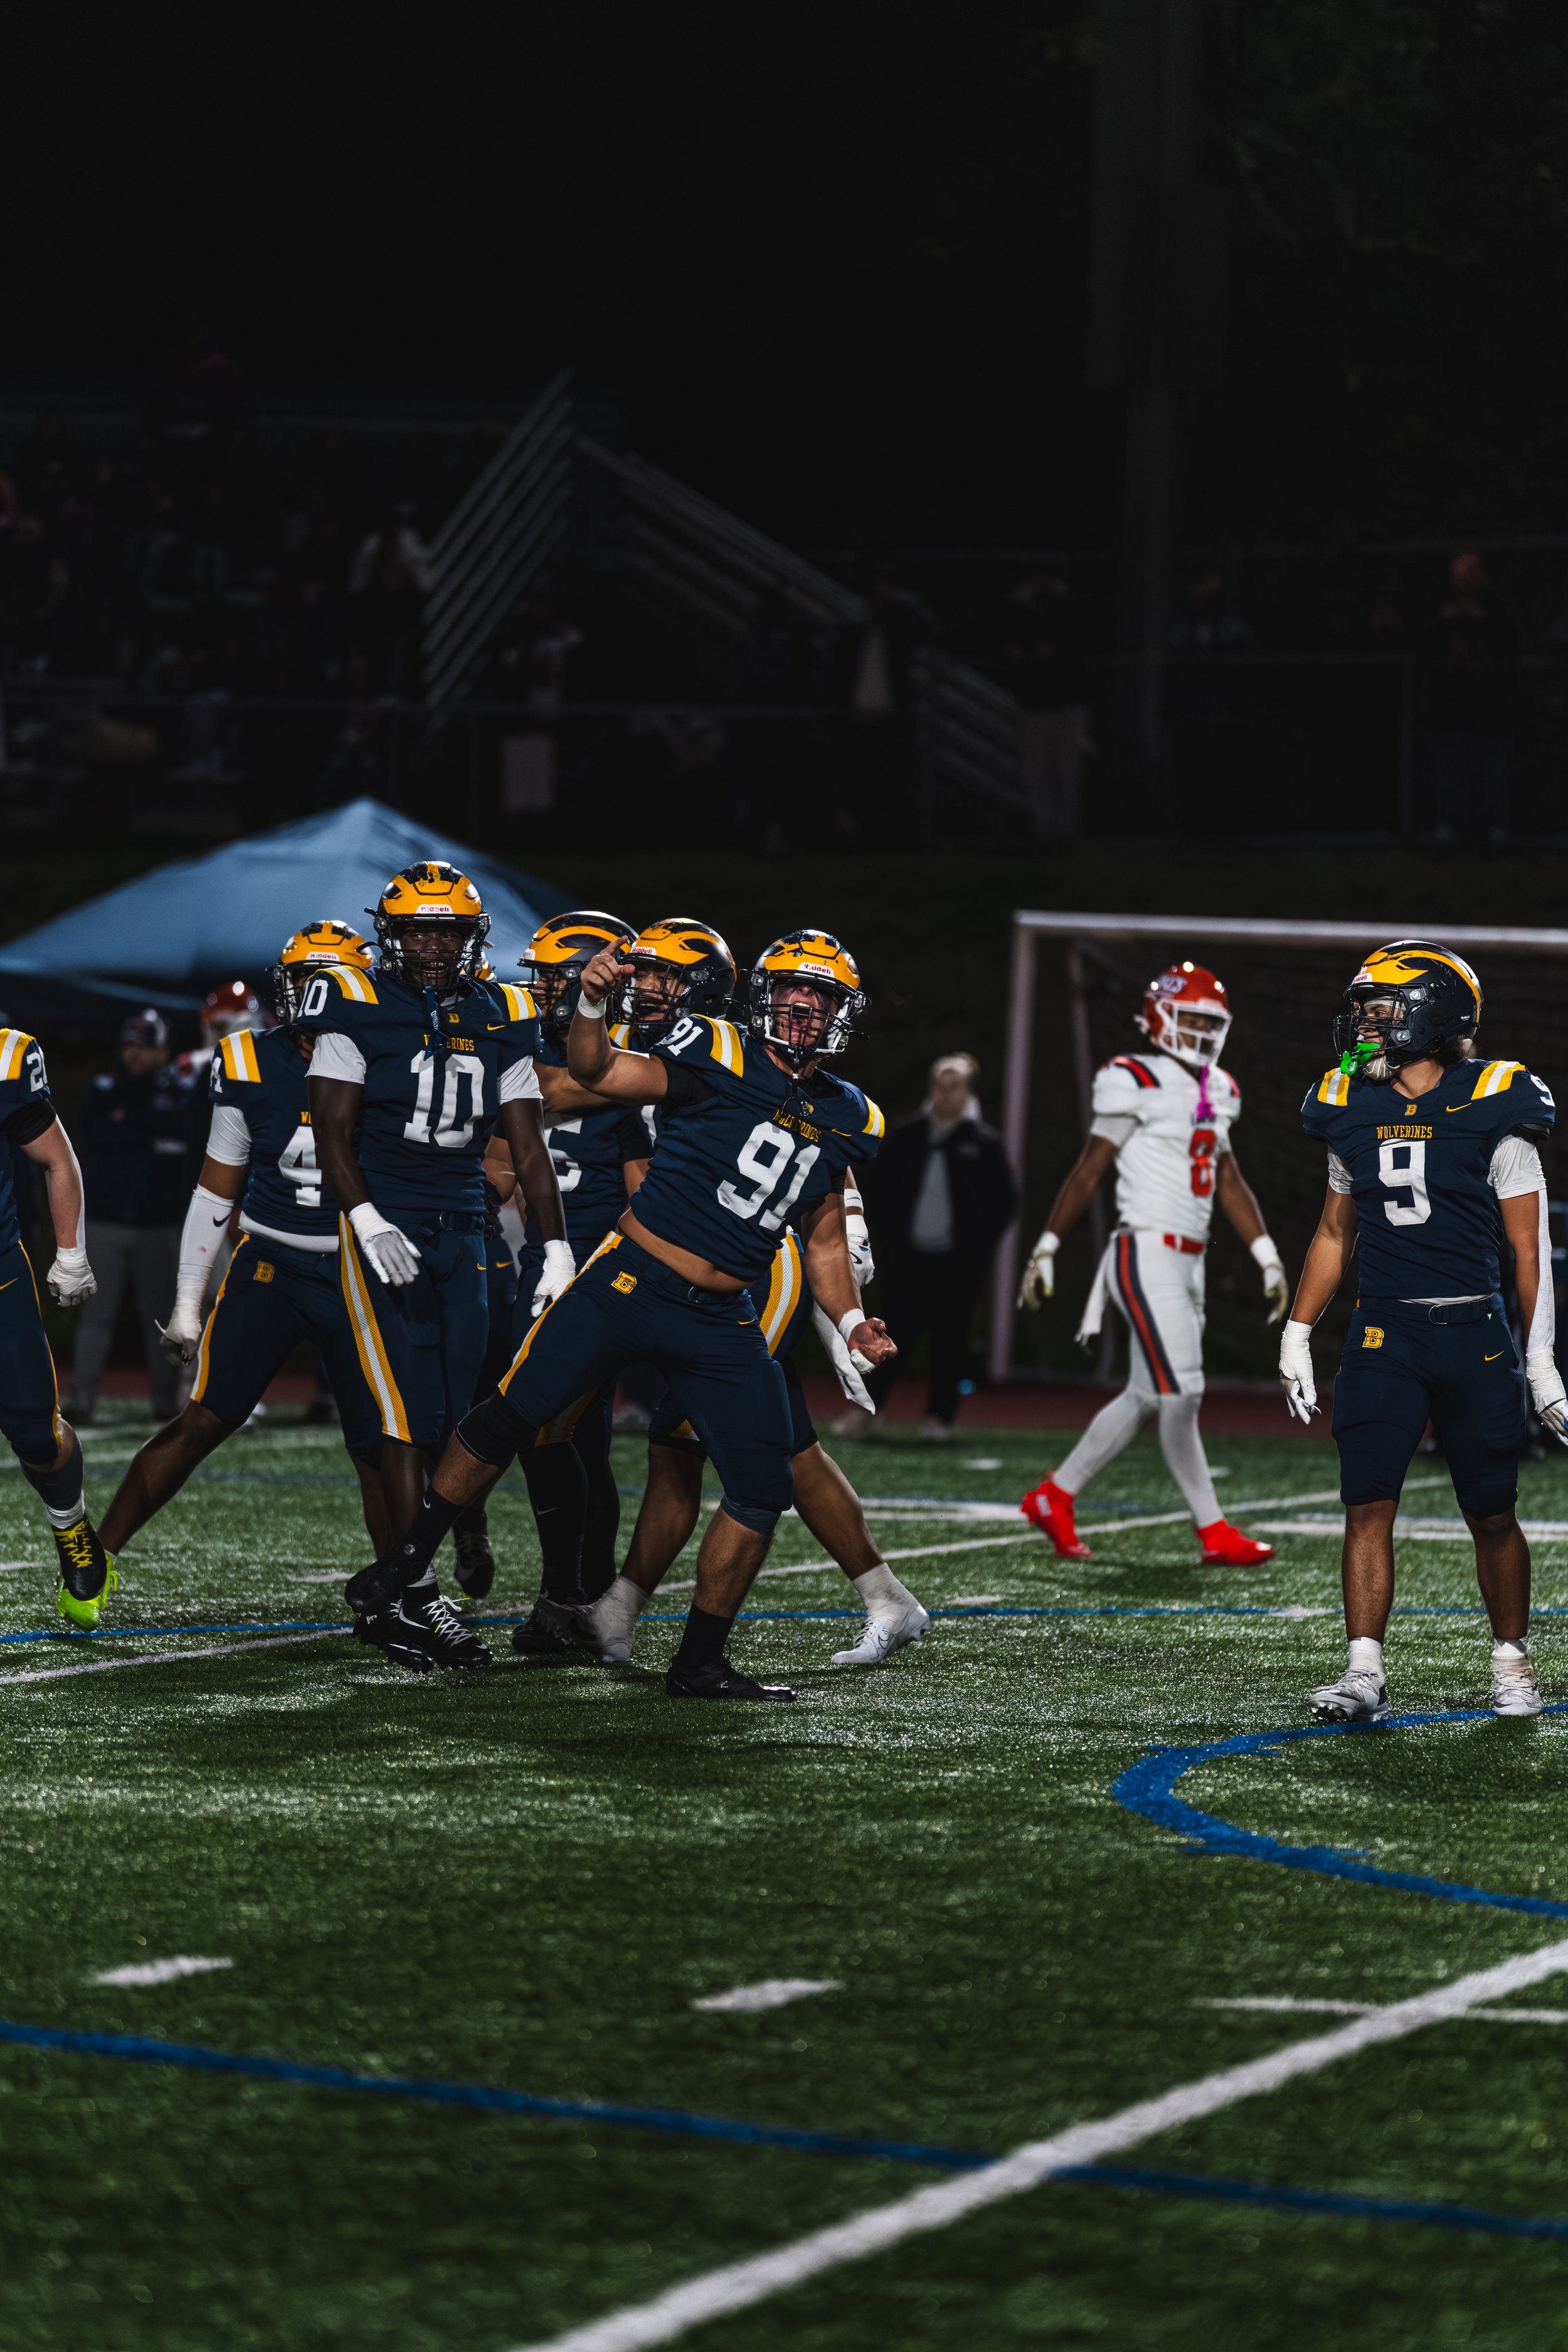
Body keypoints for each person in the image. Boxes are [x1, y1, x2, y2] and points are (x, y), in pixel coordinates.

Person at [344, 928, 893, 1703]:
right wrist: (595, 999)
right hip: (630, 1280)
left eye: (820, 1001)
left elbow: (826, 1237)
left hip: (720, 1313)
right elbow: (594, 1069)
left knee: (760, 1485)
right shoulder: (718, 1050)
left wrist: (847, 1320)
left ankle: (699, 1662)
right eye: (789, 997)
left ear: (842, 1013)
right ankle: (403, 1568)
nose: (801, 1013)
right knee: (512, 1414)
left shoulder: (852, 1113)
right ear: (759, 999)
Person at [300, 862, 571, 1673]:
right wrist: (367, 1215)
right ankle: (416, 1595)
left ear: (470, 937)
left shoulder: (505, 1011)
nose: (428, 943)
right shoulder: (353, 1001)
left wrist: (553, 1244)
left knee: (461, 1414)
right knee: (403, 1412)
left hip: (468, 1229)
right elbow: (331, 1135)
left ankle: (404, 1579)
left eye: (444, 930)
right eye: (416, 928)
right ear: (391, 933)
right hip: (387, 1224)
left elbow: (527, 1145)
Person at [1282, 941, 1562, 1721]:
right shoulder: (1347, 1101)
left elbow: (1527, 1249)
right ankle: (1362, 1670)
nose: (1365, 1025)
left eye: (1382, 1010)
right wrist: (1297, 1332)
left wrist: (1540, 1363)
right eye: (1363, 1010)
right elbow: (1335, 1235)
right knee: (1367, 1501)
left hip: (1473, 1332)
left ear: (1435, 1014)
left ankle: (1511, 1661)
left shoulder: (1496, 1096)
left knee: (1492, 1510)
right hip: (1383, 1336)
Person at [546, 1109, 928, 1670]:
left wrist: (853, 1230)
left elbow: (822, 1142)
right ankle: (888, 1598)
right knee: (792, 1445)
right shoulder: (654, 1060)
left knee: (678, 1436)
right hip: (696, 1270)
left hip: (760, 1268)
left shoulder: (725, 1052)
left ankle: (627, 1617)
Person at [98, 923, 390, 1571]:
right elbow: (214, 1189)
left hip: (361, 1270)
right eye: (303, 980)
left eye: (329, 981)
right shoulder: (250, 1058)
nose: (313, 997)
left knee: (380, 1448)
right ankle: (95, 1557)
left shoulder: (395, 1057)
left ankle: (406, 1592)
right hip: (273, 1264)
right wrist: (186, 1304)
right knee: (203, 1419)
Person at [1017, 962, 1287, 1565]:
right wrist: (1048, 1245)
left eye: (1208, 1022)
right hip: (1145, 1249)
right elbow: (1089, 1166)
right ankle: (1214, 1530)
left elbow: (1229, 1178)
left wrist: (1266, 1254)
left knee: (1147, 1392)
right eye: (1188, 1018)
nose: (1199, 1031)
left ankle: (1053, 1497)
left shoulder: (1219, 1087)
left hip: (1188, 1261)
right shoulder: (1130, 1075)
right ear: (1159, 1016)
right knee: (1183, 1392)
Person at [465, 909, 645, 1638]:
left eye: (552, 976)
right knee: (575, 1436)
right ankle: (587, 1592)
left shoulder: (634, 1054)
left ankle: (570, 1596)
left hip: (608, 1262)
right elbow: (503, 1164)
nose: (539, 989)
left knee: (547, 1430)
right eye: (536, 976)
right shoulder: (542, 1047)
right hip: (547, 1261)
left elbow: (566, 1097)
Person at [0, 1024, 114, 1628]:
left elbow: (56, 1158)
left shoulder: (6, 1057)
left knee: (39, 1437)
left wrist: (70, 1253)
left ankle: (70, 1526)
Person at [861, 1054, 1018, 1439]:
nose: (947, 1094)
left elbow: (1005, 1203)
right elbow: (878, 1194)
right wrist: (887, 1243)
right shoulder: (906, 1134)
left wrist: (975, 1247)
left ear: (969, 1092)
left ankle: (939, 1418)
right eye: (941, 1086)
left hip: (957, 1266)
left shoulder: (984, 1143)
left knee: (952, 1343)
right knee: (889, 1337)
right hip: (907, 1262)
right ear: (931, 1088)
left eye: (956, 1087)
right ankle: (867, 1412)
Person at [66, 1010, 199, 1426]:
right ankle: (81, 1400)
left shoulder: (179, 1090)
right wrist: (145, 1130)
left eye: (144, 1045)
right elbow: (94, 1133)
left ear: (163, 1049)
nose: (134, 1053)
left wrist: (130, 1125)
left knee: (160, 1320)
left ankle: (164, 1400)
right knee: (96, 1317)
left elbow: (180, 1132)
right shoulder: (106, 1088)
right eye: (130, 1044)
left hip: (157, 1223)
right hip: (106, 1220)